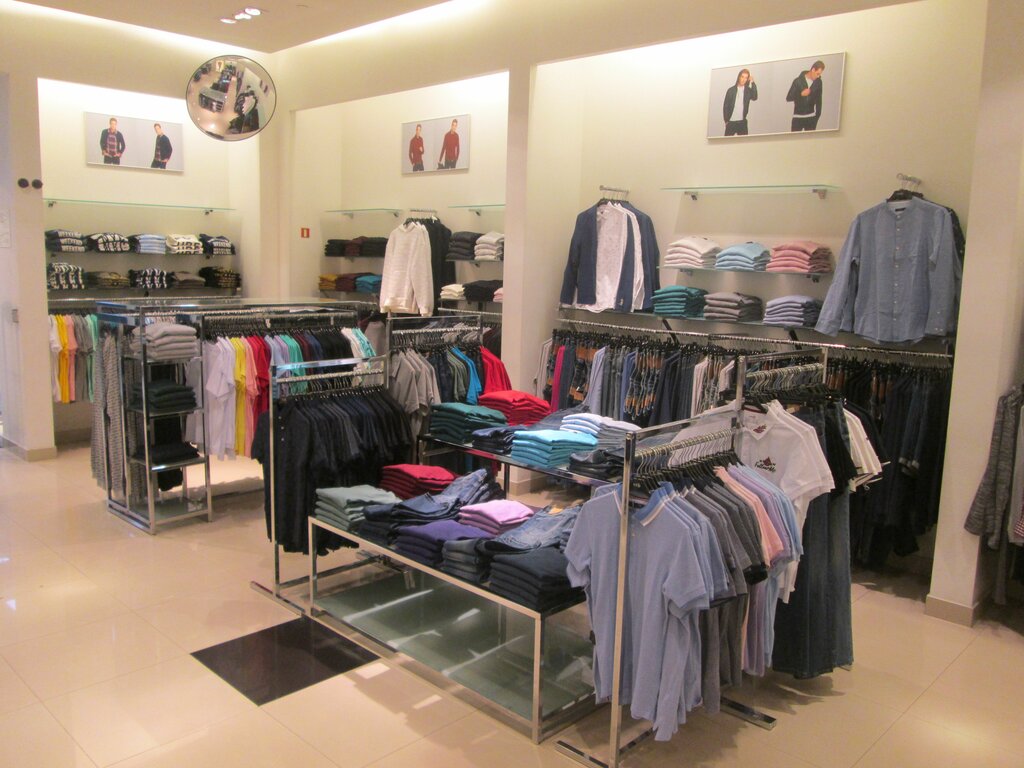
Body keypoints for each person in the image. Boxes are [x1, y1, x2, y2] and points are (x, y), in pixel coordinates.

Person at [786, 60, 825, 131]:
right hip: (797, 117)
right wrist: (800, 94)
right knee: (794, 138)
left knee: (811, 138)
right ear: (813, 70)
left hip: (811, 118)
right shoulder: (797, 81)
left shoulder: (818, 82)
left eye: (819, 74)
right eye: (817, 74)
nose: (818, 76)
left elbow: (819, 101)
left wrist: (816, 118)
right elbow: (789, 97)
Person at [722, 68, 758, 136]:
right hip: (731, 122)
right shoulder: (731, 90)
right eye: (742, 77)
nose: (743, 79)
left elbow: (754, 97)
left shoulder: (747, 91)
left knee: (744, 142)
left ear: (747, 79)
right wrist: (726, 121)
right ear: (739, 77)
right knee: (727, 141)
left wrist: (753, 83)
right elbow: (726, 106)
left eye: (746, 78)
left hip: (742, 123)